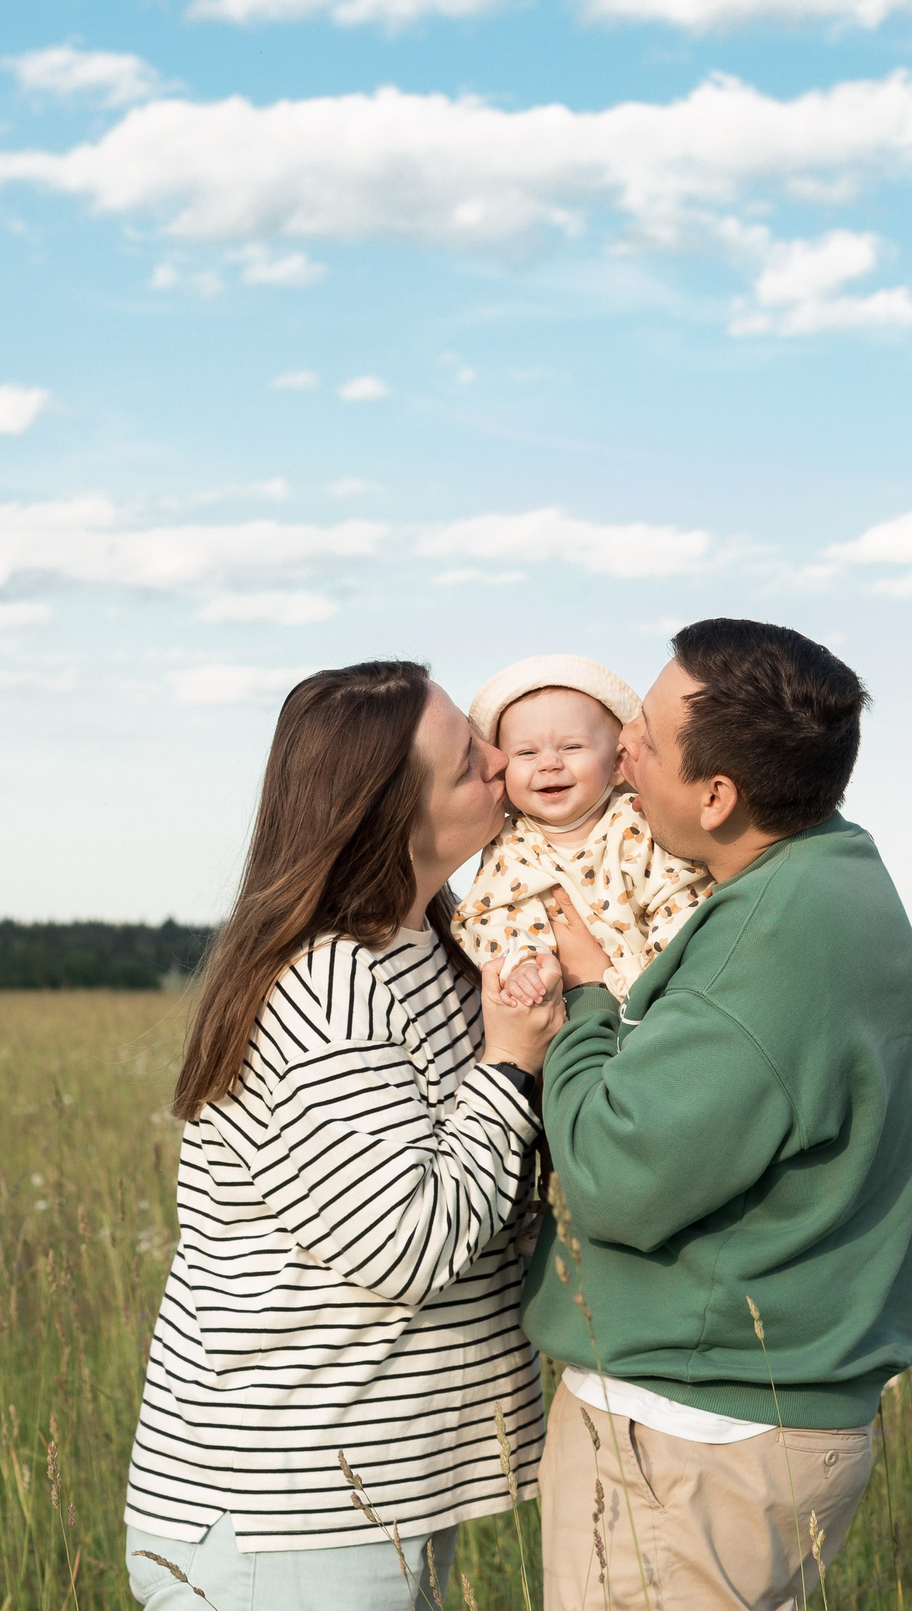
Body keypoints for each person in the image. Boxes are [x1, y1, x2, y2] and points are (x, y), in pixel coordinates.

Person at [518, 618, 912, 1611]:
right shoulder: (830, 872)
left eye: (647, 741)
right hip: (750, 1429)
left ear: (718, 796)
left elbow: (618, 1178)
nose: (620, 749)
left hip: (687, 1442)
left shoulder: (762, 942)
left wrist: (582, 1007)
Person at [121, 661, 555, 1611]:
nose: (501, 760)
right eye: (467, 760)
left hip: (361, 1501)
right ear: (386, 817)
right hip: (287, 1514)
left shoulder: (431, 945)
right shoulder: (328, 985)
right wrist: (512, 1064)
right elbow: (404, 1245)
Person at [450, 654, 712, 1002]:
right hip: (564, 1007)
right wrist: (523, 965)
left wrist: (647, 978)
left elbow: (680, 901)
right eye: (526, 753)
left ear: (618, 764)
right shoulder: (508, 844)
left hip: (660, 995)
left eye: (572, 747)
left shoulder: (638, 824)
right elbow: (497, 917)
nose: (549, 764)